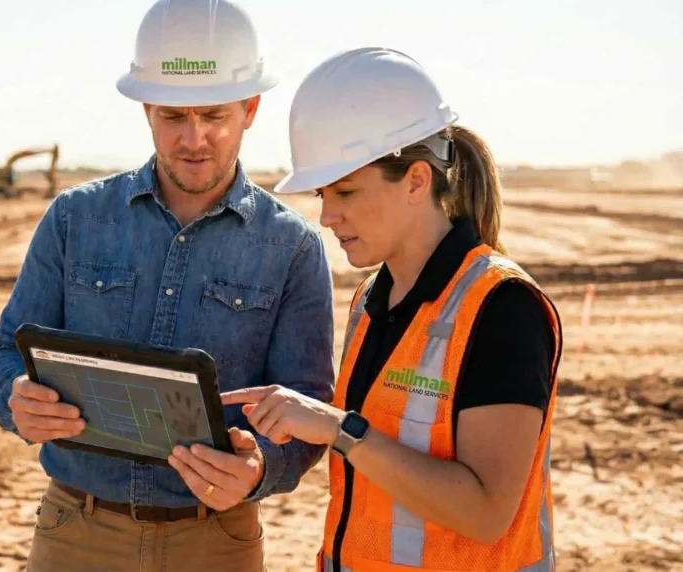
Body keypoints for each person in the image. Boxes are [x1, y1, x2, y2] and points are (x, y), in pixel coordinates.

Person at [0, 1, 335, 570]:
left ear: (250, 109)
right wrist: (15, 397)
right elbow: (4, 354)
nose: (194, 139)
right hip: (76, 533)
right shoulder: (75, 219)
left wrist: (259, 468)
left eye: (214, 115)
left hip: (217, 542)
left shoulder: (292, 248)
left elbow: (310, 410)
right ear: (147, 109)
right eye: (174, 116)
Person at [223, 47, 563, 572]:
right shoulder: (369, 300)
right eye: (322, 193)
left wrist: (339, 428)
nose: (328, 216)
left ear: (417, 180)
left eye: (347, 192)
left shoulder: (502, 308)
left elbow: (486, 513)